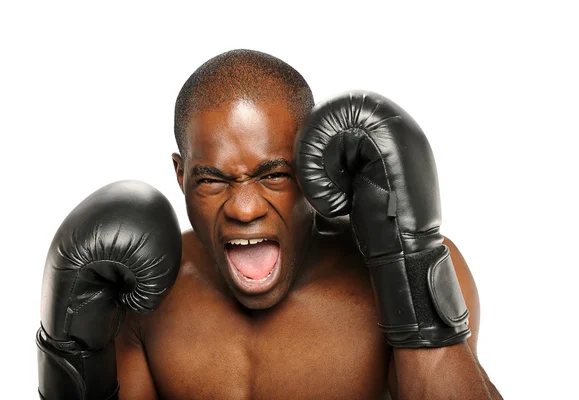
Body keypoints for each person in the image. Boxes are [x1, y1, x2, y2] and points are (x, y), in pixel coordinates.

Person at [36, 49, 502, 399]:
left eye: (274, 174)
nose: (243, 209)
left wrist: (409, 266)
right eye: (212, 179)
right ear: (180, 175)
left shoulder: (402, 274)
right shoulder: (145, 300)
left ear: (315, 167)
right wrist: (67, 359)